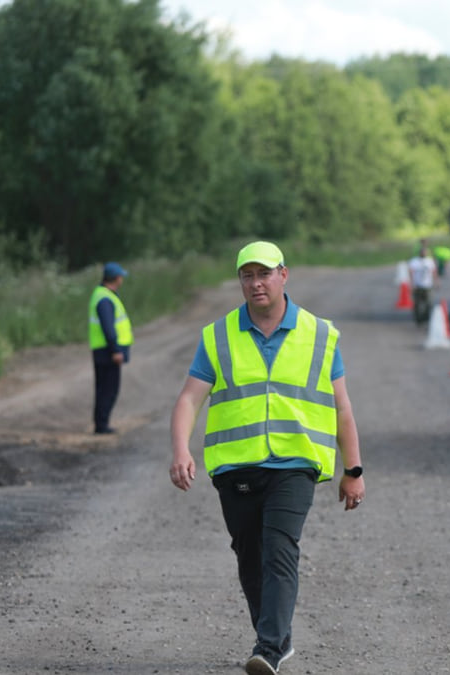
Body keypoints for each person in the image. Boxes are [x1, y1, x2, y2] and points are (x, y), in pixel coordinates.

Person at [168, 241, 364, 675]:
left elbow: (342, 407)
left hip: (295, 464)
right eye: (247, 275)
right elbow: (188, 399)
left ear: (283, 275)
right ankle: (276, 636)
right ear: (240, 281)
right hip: (236, 464)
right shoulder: (218, 336)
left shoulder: (319, 334)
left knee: (280, 549)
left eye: (264, 274)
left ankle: (270, 648)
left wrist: (352, 470)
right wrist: (181, 448)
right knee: (249, 555)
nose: (256, 283)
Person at [88, 262, 133, 434]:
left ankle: (101, 423)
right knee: (108, 389)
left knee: (104, 388)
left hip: (102, 350)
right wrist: (115, 350)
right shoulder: (105, 298)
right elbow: (108, 327)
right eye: (121, 276)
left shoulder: (101, 295)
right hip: (107, 352)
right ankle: (102, 425)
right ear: (116, 278)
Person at [407, 243, 437, 325]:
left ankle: (426, 318)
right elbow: (410, 272)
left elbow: (434, 272)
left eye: (425, 252)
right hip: (417, 285)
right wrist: (411, 284)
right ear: (420, 253)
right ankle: (418, 319)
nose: (424, 253)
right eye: (422, 252)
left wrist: (436, 282)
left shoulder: (429, 261)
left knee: (428, 303)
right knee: (417, 303)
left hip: (428, 285)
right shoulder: (414, 261)